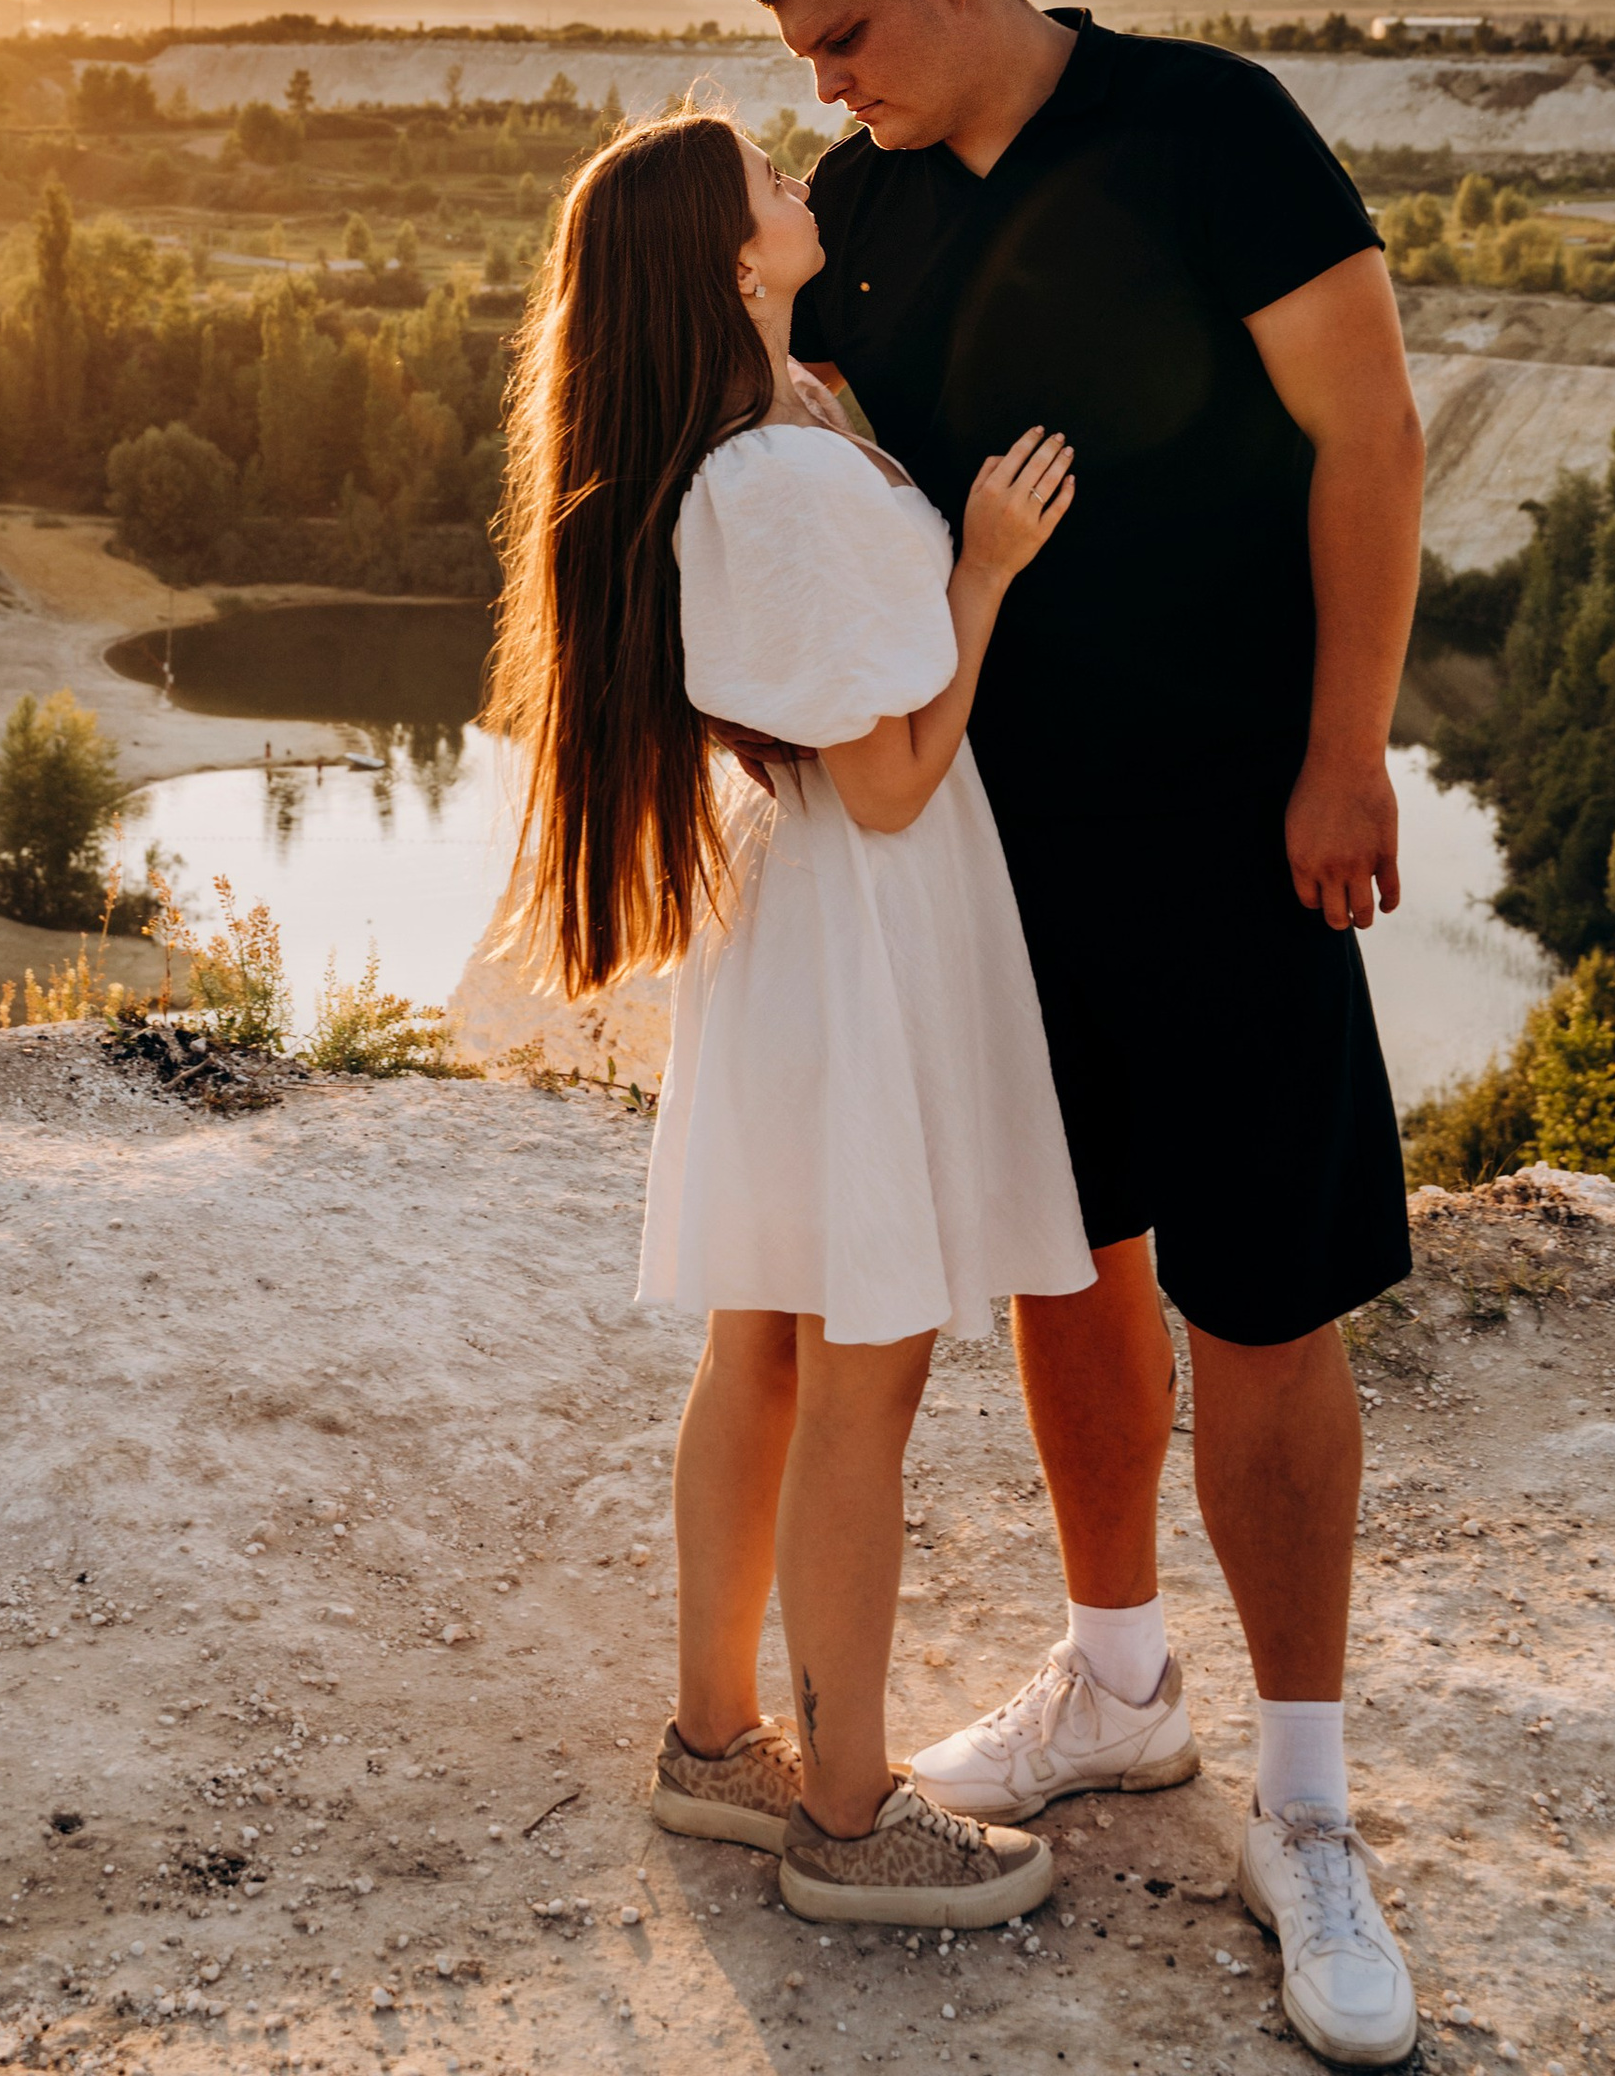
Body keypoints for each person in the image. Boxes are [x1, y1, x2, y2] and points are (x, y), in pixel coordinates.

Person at [751, 0, 1422, 2071]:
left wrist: (1345, 748)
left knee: (1258, 1290)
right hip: (978, 859)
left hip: (1235, 826)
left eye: (848, 36)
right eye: (802, 62)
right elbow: (792, 458)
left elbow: (1367, 434)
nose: (829, 90)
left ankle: (1306, 1808)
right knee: (1069, 1256)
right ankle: (1116, 1679)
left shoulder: (1208, 127)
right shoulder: (862, 210)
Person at [491, 108, 1098, 1934]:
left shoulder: (773, 438)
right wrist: (986, 566)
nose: (799, 182)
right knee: (865, 1373)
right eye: (767, 179)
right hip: (863, 919)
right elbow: (901, 780)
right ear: (728, 257)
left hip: (798, 925)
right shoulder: (785, 476)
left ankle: (714, 1744)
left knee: (763, 1343)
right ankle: (847, 1816)